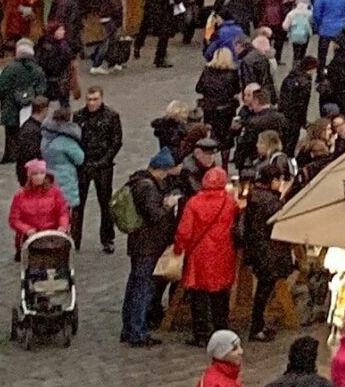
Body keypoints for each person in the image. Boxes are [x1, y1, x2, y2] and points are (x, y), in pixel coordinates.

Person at [119, 141, 183, 345]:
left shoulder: (141, 182)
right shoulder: (147, 187)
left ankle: (129, 328)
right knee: (142, 288)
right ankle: (137, 331)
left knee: (135, 285)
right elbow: (154, 215)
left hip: (141, 244)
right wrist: (167, 205)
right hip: (147, 245)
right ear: (160, 169)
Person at [173, 161, 243, 341]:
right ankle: (221, 329)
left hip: (200, 254)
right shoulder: (228, 203)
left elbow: (184, 231)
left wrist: (179, 247)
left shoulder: (194, 203)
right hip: (222, 252)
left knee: (198, 295)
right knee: (220, 294)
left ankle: (201, 334)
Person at [238, 161, 295, 340]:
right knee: (265, 289)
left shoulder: (254, 197)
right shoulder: (271, 202)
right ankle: (257, 327)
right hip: (270, 252)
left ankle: (259, 324)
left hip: (257, 250)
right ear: (274, 180)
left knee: (264, 288)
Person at [72, 85, 122, 253]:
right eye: (89, 100)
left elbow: (116, 142)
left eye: (95, 99)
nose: (92, 103)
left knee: (105, 203)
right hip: (83, 164)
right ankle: (74, 238)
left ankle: (107, 238)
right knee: (78, 204)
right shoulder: (78, 116)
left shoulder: (112, 116)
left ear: (101, 99)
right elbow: (75, 140)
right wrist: (80, 160)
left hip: (103, 166)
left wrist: (104, 161)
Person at [0, 40, 45, 167]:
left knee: (11, 131)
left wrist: (4, 99)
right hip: (31, 105)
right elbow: (42, 88)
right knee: (29, 129)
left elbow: (1, 87)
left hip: (11, 105)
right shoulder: (37, 70)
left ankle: (10, 155)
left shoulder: (10, 69)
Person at [6, 156, 69, 255]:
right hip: (30, 236)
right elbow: (14, 219)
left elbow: (63, 212)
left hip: (52, 234)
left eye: (42, 173)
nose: (39, 176)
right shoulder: (20, 196)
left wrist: (62, 226)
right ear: (30, 176)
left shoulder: (55, 192)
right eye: (35, 174)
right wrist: (26, 229)